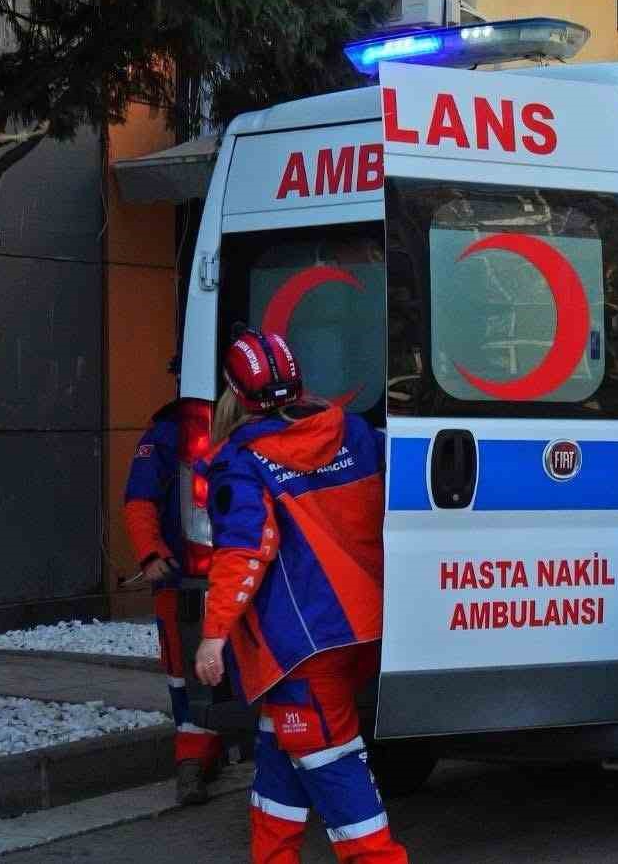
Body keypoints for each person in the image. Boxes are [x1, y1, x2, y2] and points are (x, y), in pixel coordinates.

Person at [193, 328, 406, 864]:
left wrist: (214, 635)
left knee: (333, 763)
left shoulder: (242, 462)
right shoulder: (354, 432)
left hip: (303, 643)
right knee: (280, 756)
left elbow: (244, 551)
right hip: (365, 626)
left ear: (234, 393)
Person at [122, 398, 223, 804]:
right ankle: (192, 760)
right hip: (183, 575)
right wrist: (151, 554)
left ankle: (206, 752)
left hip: (225, 572)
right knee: (183, 670)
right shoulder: (166, 434)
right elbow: (139, 499)